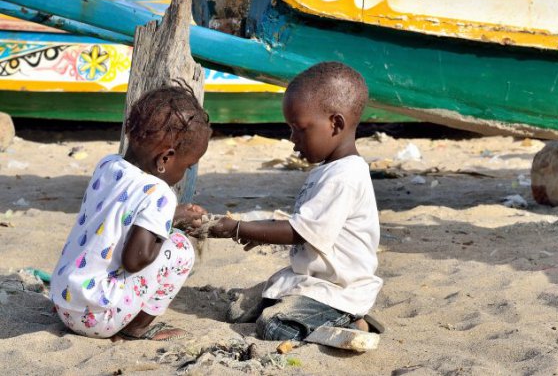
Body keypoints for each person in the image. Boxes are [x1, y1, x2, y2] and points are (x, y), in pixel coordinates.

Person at [181, 62, 384, 340]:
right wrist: (256, 230)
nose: (292, 139)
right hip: (310, 280)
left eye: (299, 129)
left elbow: (300, 231)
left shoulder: (345, 176)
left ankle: (350, 323)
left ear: (335, 124)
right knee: (239, 312)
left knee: (273, 325)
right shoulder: (328, 170)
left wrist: (237, 228)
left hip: (337, 290)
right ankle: (323, 313)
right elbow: (301, 224)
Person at [49, 84, 211, 341]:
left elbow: (120, 213)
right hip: (97, 318)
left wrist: (169, 216)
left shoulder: (108, 165)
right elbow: (135, 260)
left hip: (63, 300)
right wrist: (168, 223)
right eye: (188, 165)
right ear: (165, 159)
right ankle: (135, 327)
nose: (187, 172)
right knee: (180, 249)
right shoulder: (160, 193)